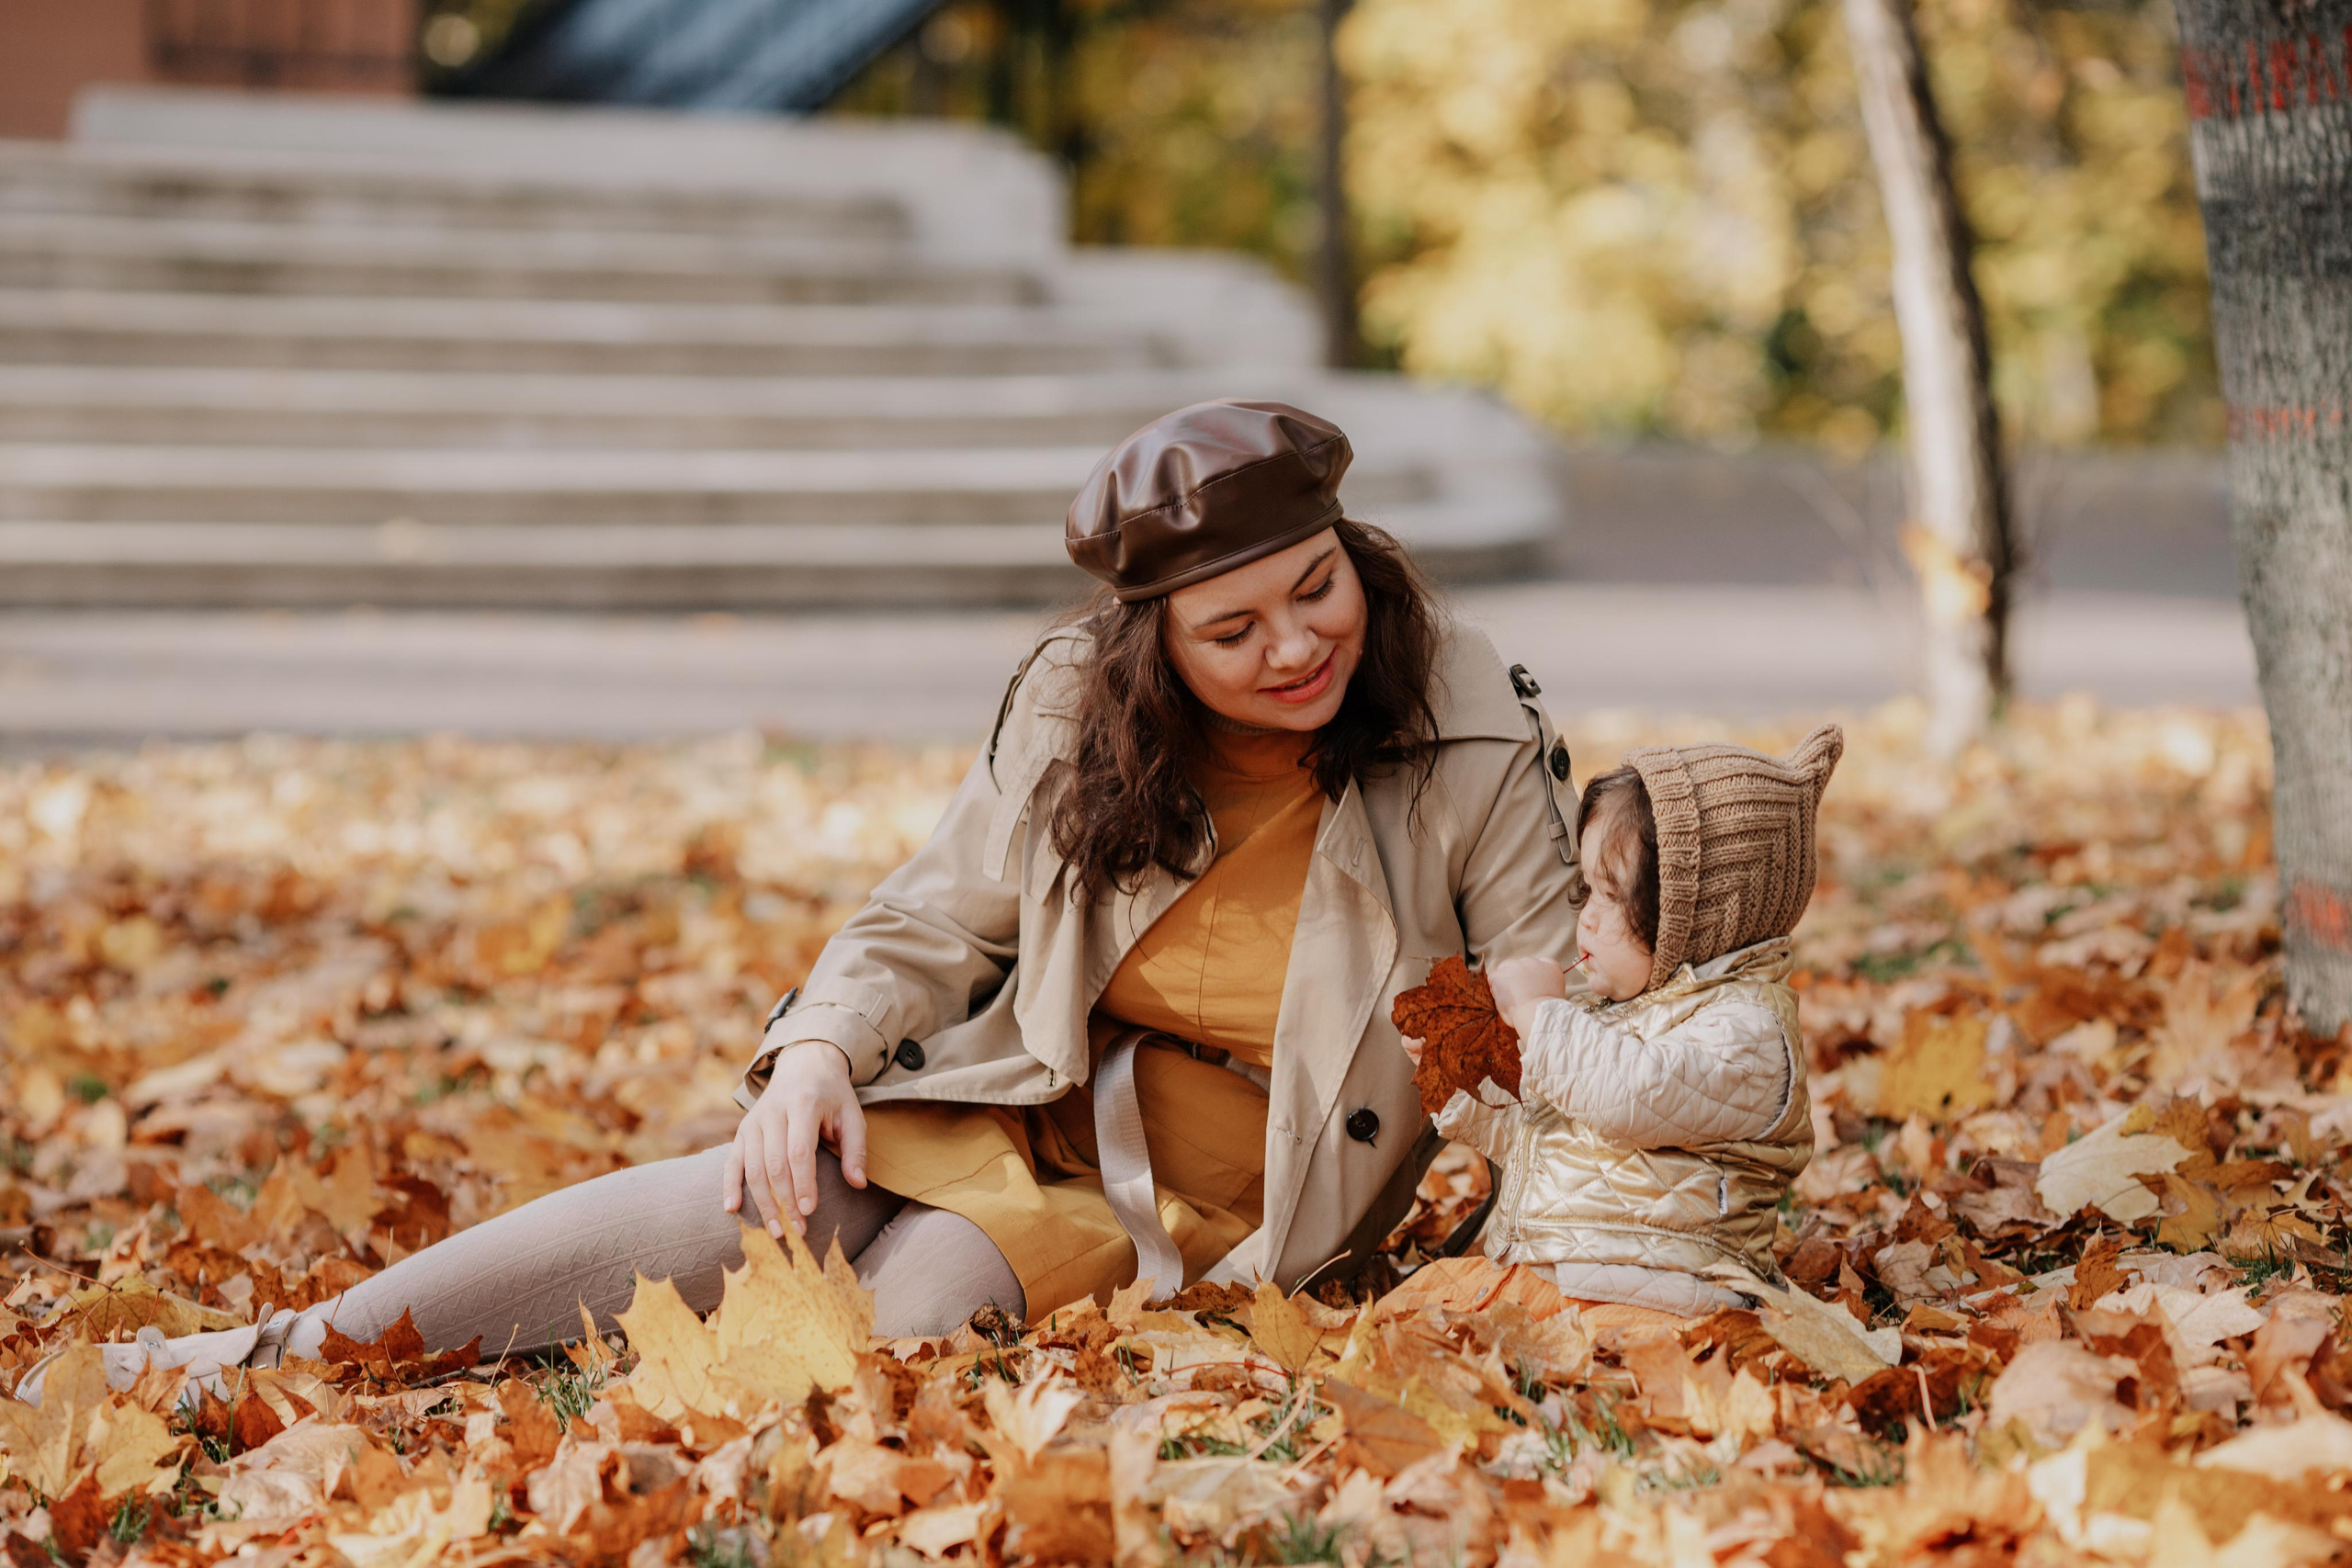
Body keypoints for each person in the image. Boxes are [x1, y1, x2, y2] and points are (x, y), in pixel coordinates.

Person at [17, 399, 1581, 1404]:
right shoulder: (1079, 713)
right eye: (1233, 627)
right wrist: (818, 1053)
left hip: (1221, 1176)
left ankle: (642, 1442)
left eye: (1320, 587)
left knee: (878, 1338)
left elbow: (1537, 999)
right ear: (1156, 647)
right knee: (755, 1193)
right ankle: (252, 1357)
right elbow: (928, 919)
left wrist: (1564, 1243)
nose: (1299, 643)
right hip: (1023, 1089)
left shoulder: (1462, 721)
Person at [1411, 728, 1843, 1314]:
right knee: (1407, 1312)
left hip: (1657, 1298)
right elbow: (1539, 1138)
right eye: (1586, 891)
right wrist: (1461, 1080)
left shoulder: (1750, 1035)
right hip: (1560, 1277)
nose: (1584, 920)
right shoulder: (1618, 1018)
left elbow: (1630, 1093)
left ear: (1694, 917)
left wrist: (1542, 1017)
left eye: (1610, 896)